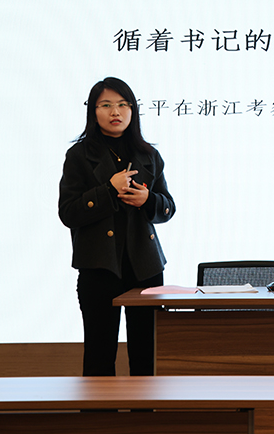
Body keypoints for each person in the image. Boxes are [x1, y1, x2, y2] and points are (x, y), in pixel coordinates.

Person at [58, 77, 175, 376]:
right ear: (93, 111)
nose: (116, 112)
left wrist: (149, 200)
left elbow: (168, 208)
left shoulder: (149, 155)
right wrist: (108, 190)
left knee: (146, 356)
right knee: (99, 356)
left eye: (123, 104)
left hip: (146, 268)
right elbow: (68, 213)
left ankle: (145, 408)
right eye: (106, 105)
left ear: (133, 110)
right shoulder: (79, 155)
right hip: (99, 267)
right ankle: (99, 409)